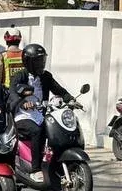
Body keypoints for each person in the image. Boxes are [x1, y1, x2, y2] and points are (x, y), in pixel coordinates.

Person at [6, 43, 74, 183]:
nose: (41, 64)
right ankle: (36, 169)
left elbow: (59, 90)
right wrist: (23, 102)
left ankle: (57, 163)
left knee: (56, 129)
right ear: (29, 62)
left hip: (40, 113)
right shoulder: (19, 76)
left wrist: (72, 100)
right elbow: (12, 94)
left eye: (42, 60)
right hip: (22, 115)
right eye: (38, 61)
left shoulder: (46, 76)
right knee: (37, 131)